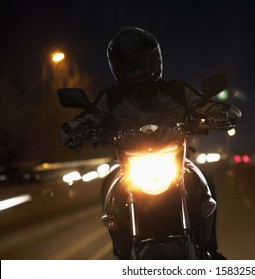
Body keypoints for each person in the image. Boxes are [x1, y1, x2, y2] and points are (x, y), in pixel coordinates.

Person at [60, 26, 241, 259]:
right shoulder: (111, 98)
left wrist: (219, 115)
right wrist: (79, 130)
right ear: (117, 70)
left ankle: (210, 251)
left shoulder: (177, 90)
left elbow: (208, 106)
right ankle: (123, 256)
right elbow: (86, 119)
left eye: (142, 65)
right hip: (132, 167)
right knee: (109, 184)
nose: (136, 73)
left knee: (204, 179)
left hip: (173, 162)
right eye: (128, 68)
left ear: (155, 62)